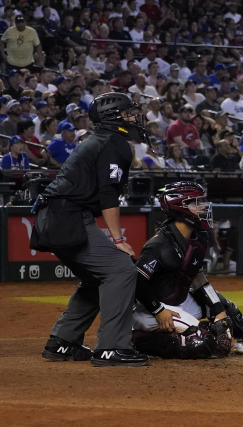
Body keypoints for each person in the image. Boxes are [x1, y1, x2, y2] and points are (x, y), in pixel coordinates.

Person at [34, 92, 150, 367]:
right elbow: (108, 194)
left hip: (54, 216)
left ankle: (63, 342)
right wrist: (118, 239)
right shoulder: (114, 143)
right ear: (114, 117)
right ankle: (111, 348)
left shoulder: (100, 140)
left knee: (97, 276)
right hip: (66, 217)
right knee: (120, 269)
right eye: (127, 113)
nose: (133, 117)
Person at [132, 181, 243, 358]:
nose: (203, 206)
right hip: (153, 308)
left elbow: (197, 277)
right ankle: (138, 340)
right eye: (197, 202)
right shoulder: (159, 245)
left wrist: (218, 310)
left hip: (179, 300)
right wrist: (159, 311)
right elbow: (138, 282)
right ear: (181, 207)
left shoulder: (198, 236)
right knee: (203, 344)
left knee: (223, 304)